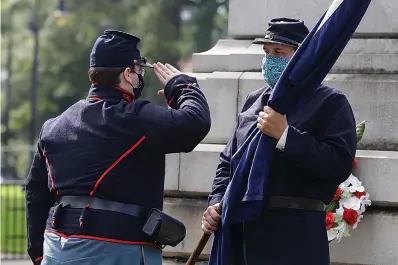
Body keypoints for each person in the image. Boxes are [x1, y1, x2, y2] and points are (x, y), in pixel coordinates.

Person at [25, 30, 211, 265]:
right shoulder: (135, 118)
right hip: (121, 249)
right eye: (139, 71)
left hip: (56, 248)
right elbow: (196, 122)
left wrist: (39, 255)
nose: (140, 78)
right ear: (127, 74)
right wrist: (182, 85)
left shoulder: (53, 126)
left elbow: (35, 194)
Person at [202, 18, 357, 265]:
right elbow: (228, 163)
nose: (270, 60)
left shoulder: (329, 103)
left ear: (301, 57)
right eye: (266, 52)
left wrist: (286, 136)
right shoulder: (254, 101)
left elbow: (338, 164)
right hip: (243, 238)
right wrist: (216, 203)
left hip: (294, 238)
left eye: (278, 52)